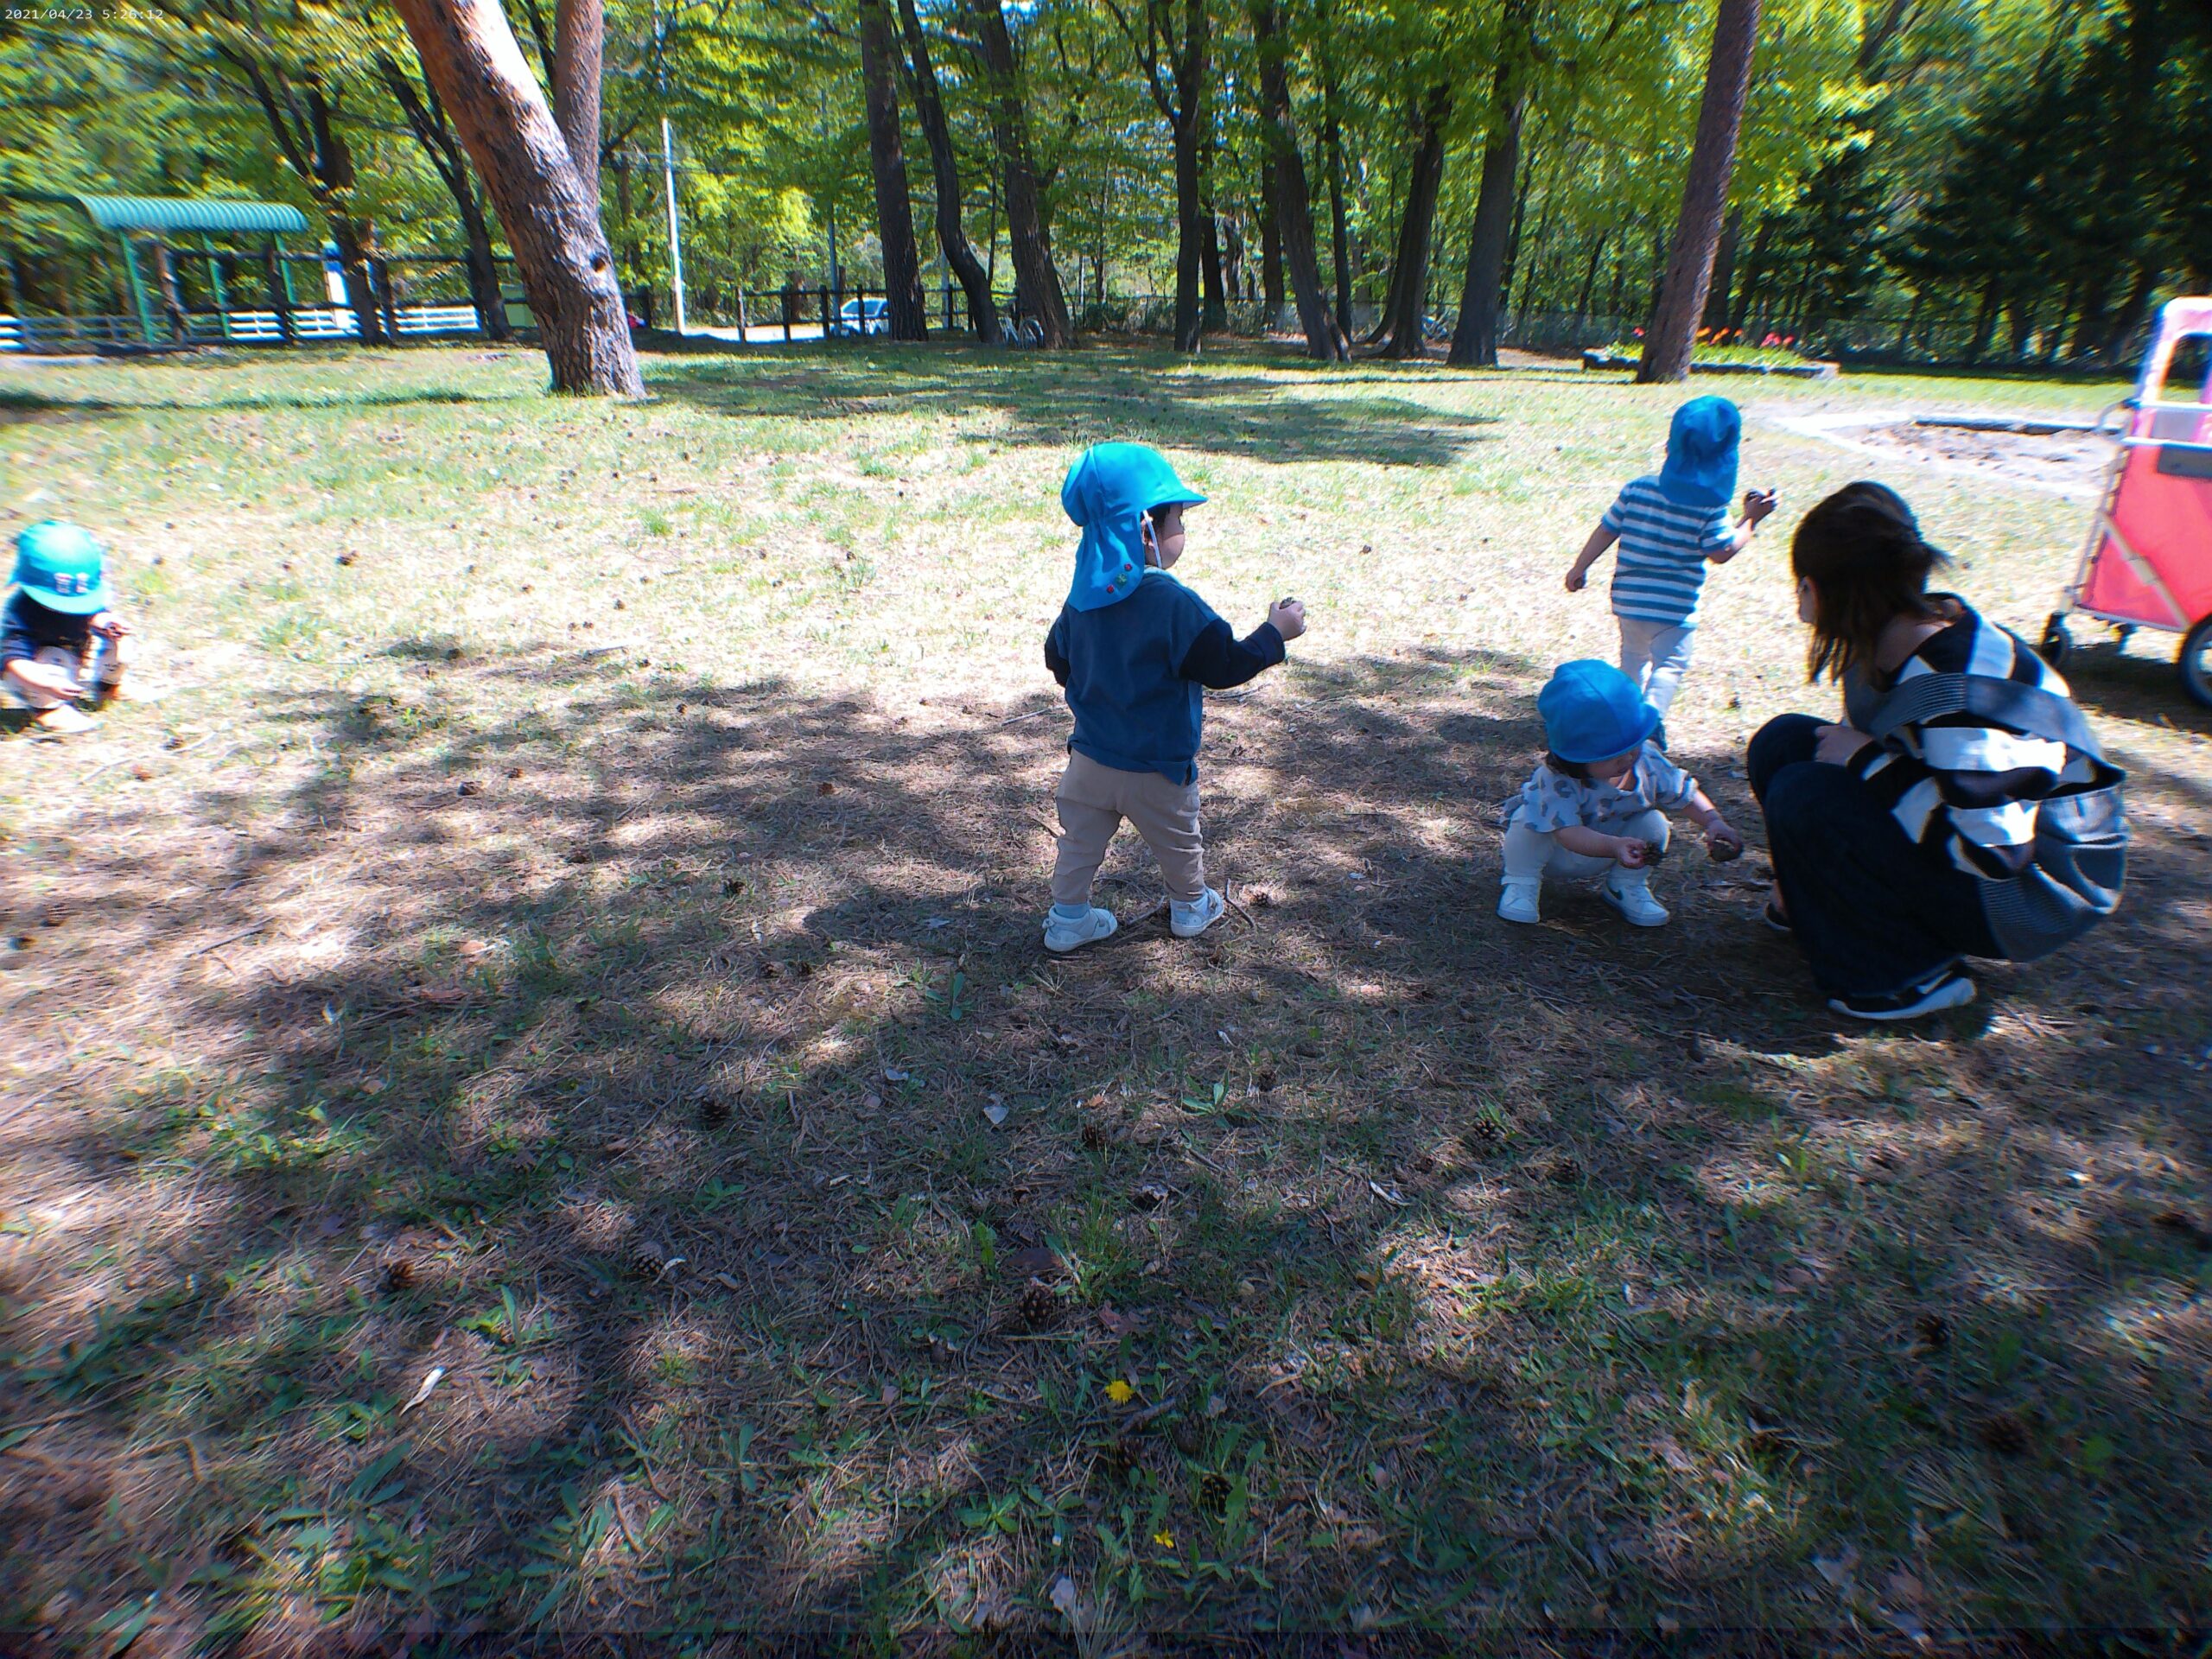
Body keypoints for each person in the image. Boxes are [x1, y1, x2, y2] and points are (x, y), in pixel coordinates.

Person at [1750, 481, 2126, 1020]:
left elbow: (1993, 854)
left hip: (2030, 895)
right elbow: (1874, 744)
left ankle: (1905, 977)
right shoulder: (1891, 634)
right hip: (1976, 839)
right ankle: (1823, 915)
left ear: (1816, 590)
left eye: (1801, 586)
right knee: (1785, 745)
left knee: (1806, 793)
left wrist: (1865, 763)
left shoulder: (1960, 694)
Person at [1041, 442, 1306, 952]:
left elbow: (1059, 659)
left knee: (1078, 844)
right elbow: (1223, 664)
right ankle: (1190, 907)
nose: (1183, 525)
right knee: (1179, 842)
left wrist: (1101, 693)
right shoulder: (1171, 601)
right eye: (1178, 516)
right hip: (1159, 767)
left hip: (1090, 760)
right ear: (1146, 528)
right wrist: (1276, 632)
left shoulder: (1080, 601)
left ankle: (1068, 918)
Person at [1565, 395, 1777, 721]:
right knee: (1669, 665)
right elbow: (1721, 552)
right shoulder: (1711, 508)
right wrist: (1750, 520)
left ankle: (1625, 720)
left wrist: (1580, 566)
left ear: (1670, 447)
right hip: (1676, 608)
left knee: (1633, 658)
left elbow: (1607, 530)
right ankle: (1649, 722)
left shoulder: (1637, 489)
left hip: (1629, 600)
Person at [1498, 658, 1744, 927]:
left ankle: (1625, 886)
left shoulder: (1647, 762)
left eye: (1633, 745)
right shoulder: (1557, 779)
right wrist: (1614, 846)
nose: (1628, 757)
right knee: (1528, 819)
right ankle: (1521, 882)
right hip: (1559, 852)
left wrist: (1713, 820)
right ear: (1576, 757)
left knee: (1654, 822)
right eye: (1612, 754)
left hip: (1619, 851)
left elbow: (1683, 792)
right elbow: (1568, 833)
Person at [3, 521, 133, 735]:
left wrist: (106, 622)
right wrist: (45, 684)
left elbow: (93, 613)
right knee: (53, 658)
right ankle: (47, 710)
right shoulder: (22, 613)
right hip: (34, 672)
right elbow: (15, 661)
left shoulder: (81, 594)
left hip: (72, 659)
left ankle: (109, 686)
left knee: (122, 642)